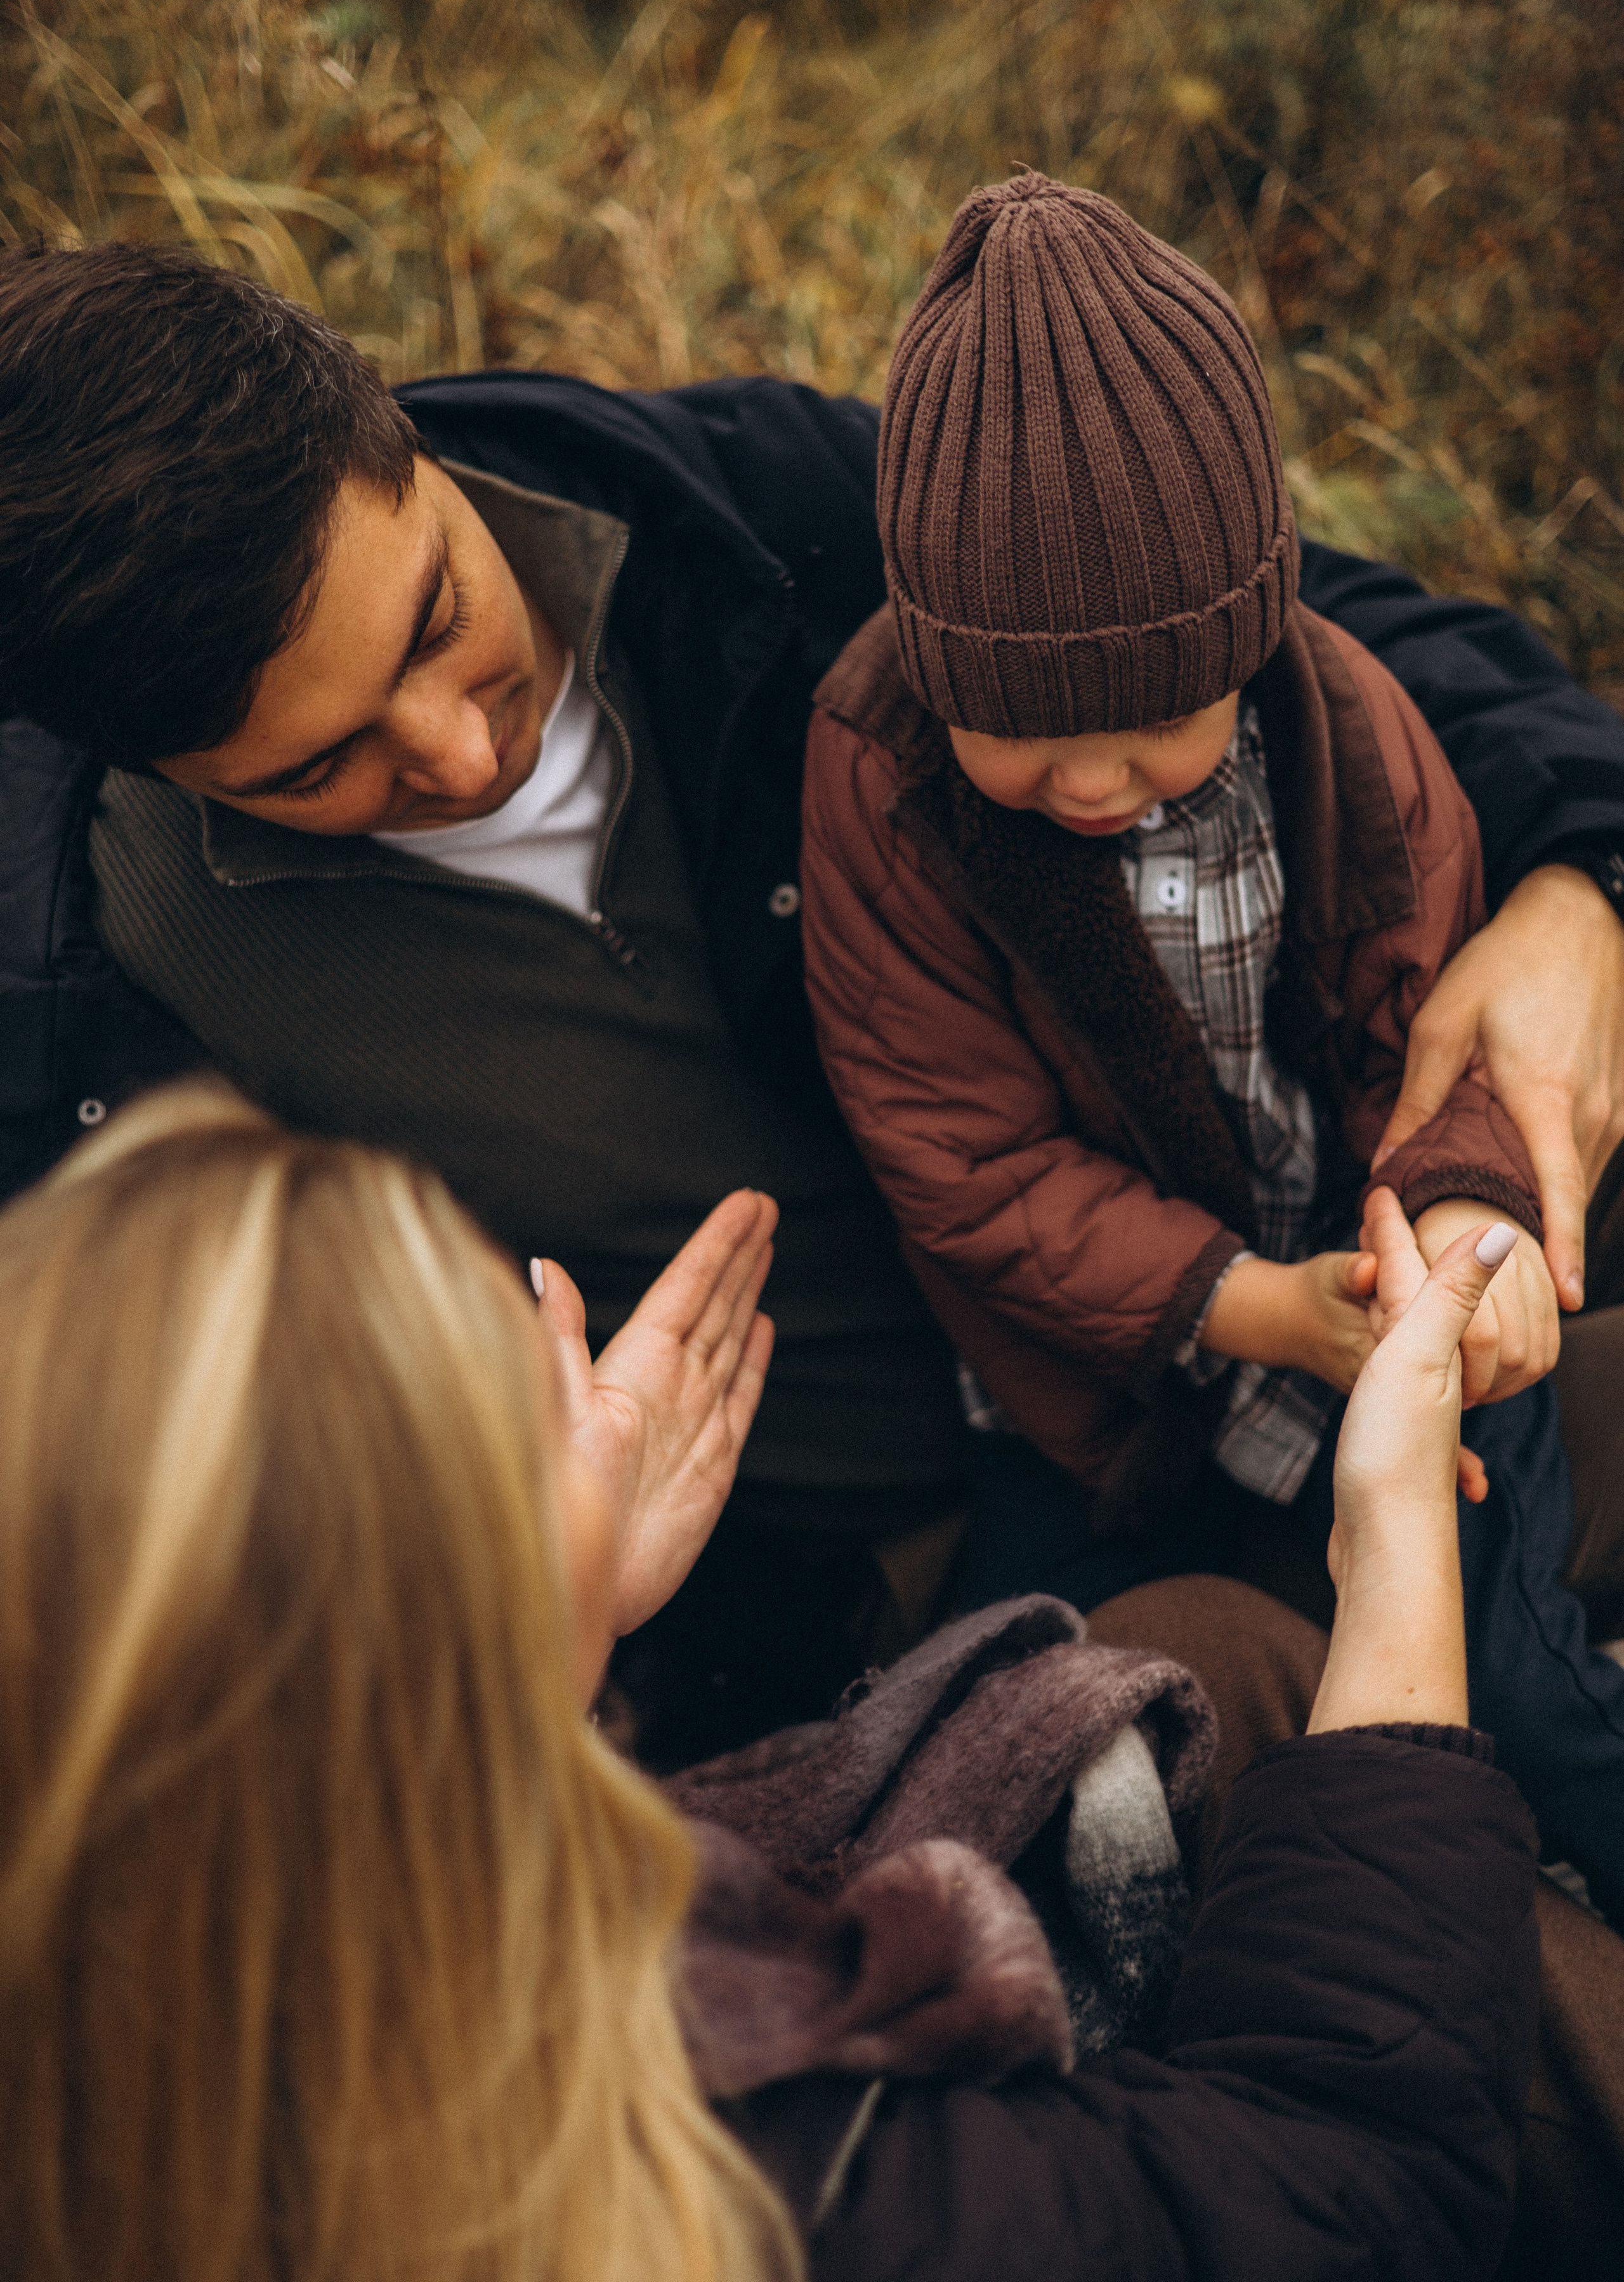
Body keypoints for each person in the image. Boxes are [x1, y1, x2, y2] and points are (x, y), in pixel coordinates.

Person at [3, 240, 1624, 1759]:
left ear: (397, 431)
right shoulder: (97, 1007)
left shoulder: (756, 511)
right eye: (317, 769)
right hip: (919, 1563)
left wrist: (1578, 887)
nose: (458, 749)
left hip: (1291, 1254)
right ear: (143, 766)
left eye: (437, 619)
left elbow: (1323, 641)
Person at [0, 1079, 1542, 2279]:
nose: (578, 1412)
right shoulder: (737, 2178)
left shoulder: (134, 2047)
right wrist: (1390, 1526)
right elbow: (1354, 2182)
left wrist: (551, 1630)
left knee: (1195, 1636)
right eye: (521, 1427)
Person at [799, 171, 1624, 1921]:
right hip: (1093, 1369)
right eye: (1025, 733)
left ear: (1247, 641)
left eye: (1158, 720)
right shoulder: (882, 782)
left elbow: (1435, 1024)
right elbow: (963, 1159)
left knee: (1515, 1647)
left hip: (1369, 1262)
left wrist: (1461, 1221)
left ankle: (1566, 1846)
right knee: (1018, 1702)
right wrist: (1245, 1307)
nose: (1095, 780)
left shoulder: (1347, 728)